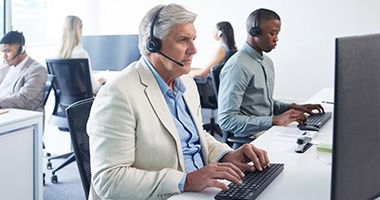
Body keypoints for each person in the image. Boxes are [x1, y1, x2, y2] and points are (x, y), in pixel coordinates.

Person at [87, 4, 270, 199]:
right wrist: (186, 181)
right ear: (152, 44)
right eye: (183, 40)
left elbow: (197, 135)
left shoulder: (186, 83)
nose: (193, 49)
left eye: (193, 39)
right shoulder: (118, 93)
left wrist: (226, 155)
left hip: (199, 191)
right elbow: (108, 180)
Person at [217, 8, 324, 138]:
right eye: (272, 34)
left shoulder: (266, 62)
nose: (276, 39)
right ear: (254, 32)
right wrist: (274, 120)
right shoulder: (238, 66)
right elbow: (226, 121)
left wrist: (294, 107)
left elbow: (260, 102)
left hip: (268, 131)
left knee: (311, 139)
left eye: (277, 34)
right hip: (250, 141)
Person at [58, 15, 104, 93]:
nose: (82, 31)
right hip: (83, 103)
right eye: (81, 28)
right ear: (77, 30)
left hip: (65, 104)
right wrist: (103, 84)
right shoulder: (81, 54)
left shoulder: (57, 56)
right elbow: (93, 88)